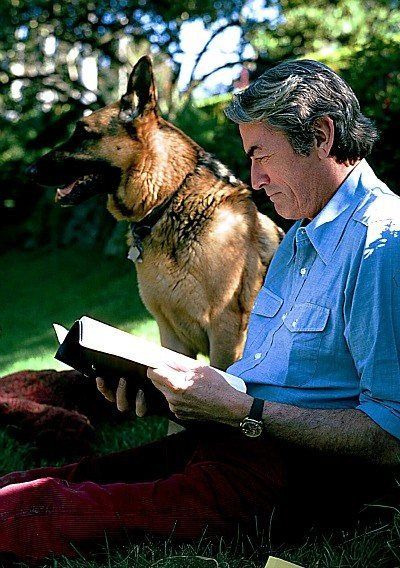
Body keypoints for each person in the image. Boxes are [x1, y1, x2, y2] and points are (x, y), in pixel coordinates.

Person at [1, 60, 399, 562]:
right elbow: (269, 379)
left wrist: (243, 411)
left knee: (35, 512)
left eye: (261, 156)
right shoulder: (302, 232)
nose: (254, 181)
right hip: (236, 441)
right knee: (33, 484)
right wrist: (173, 392)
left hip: (296, 478)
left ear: (321, 135)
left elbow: (390, 436)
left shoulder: (381, 244)